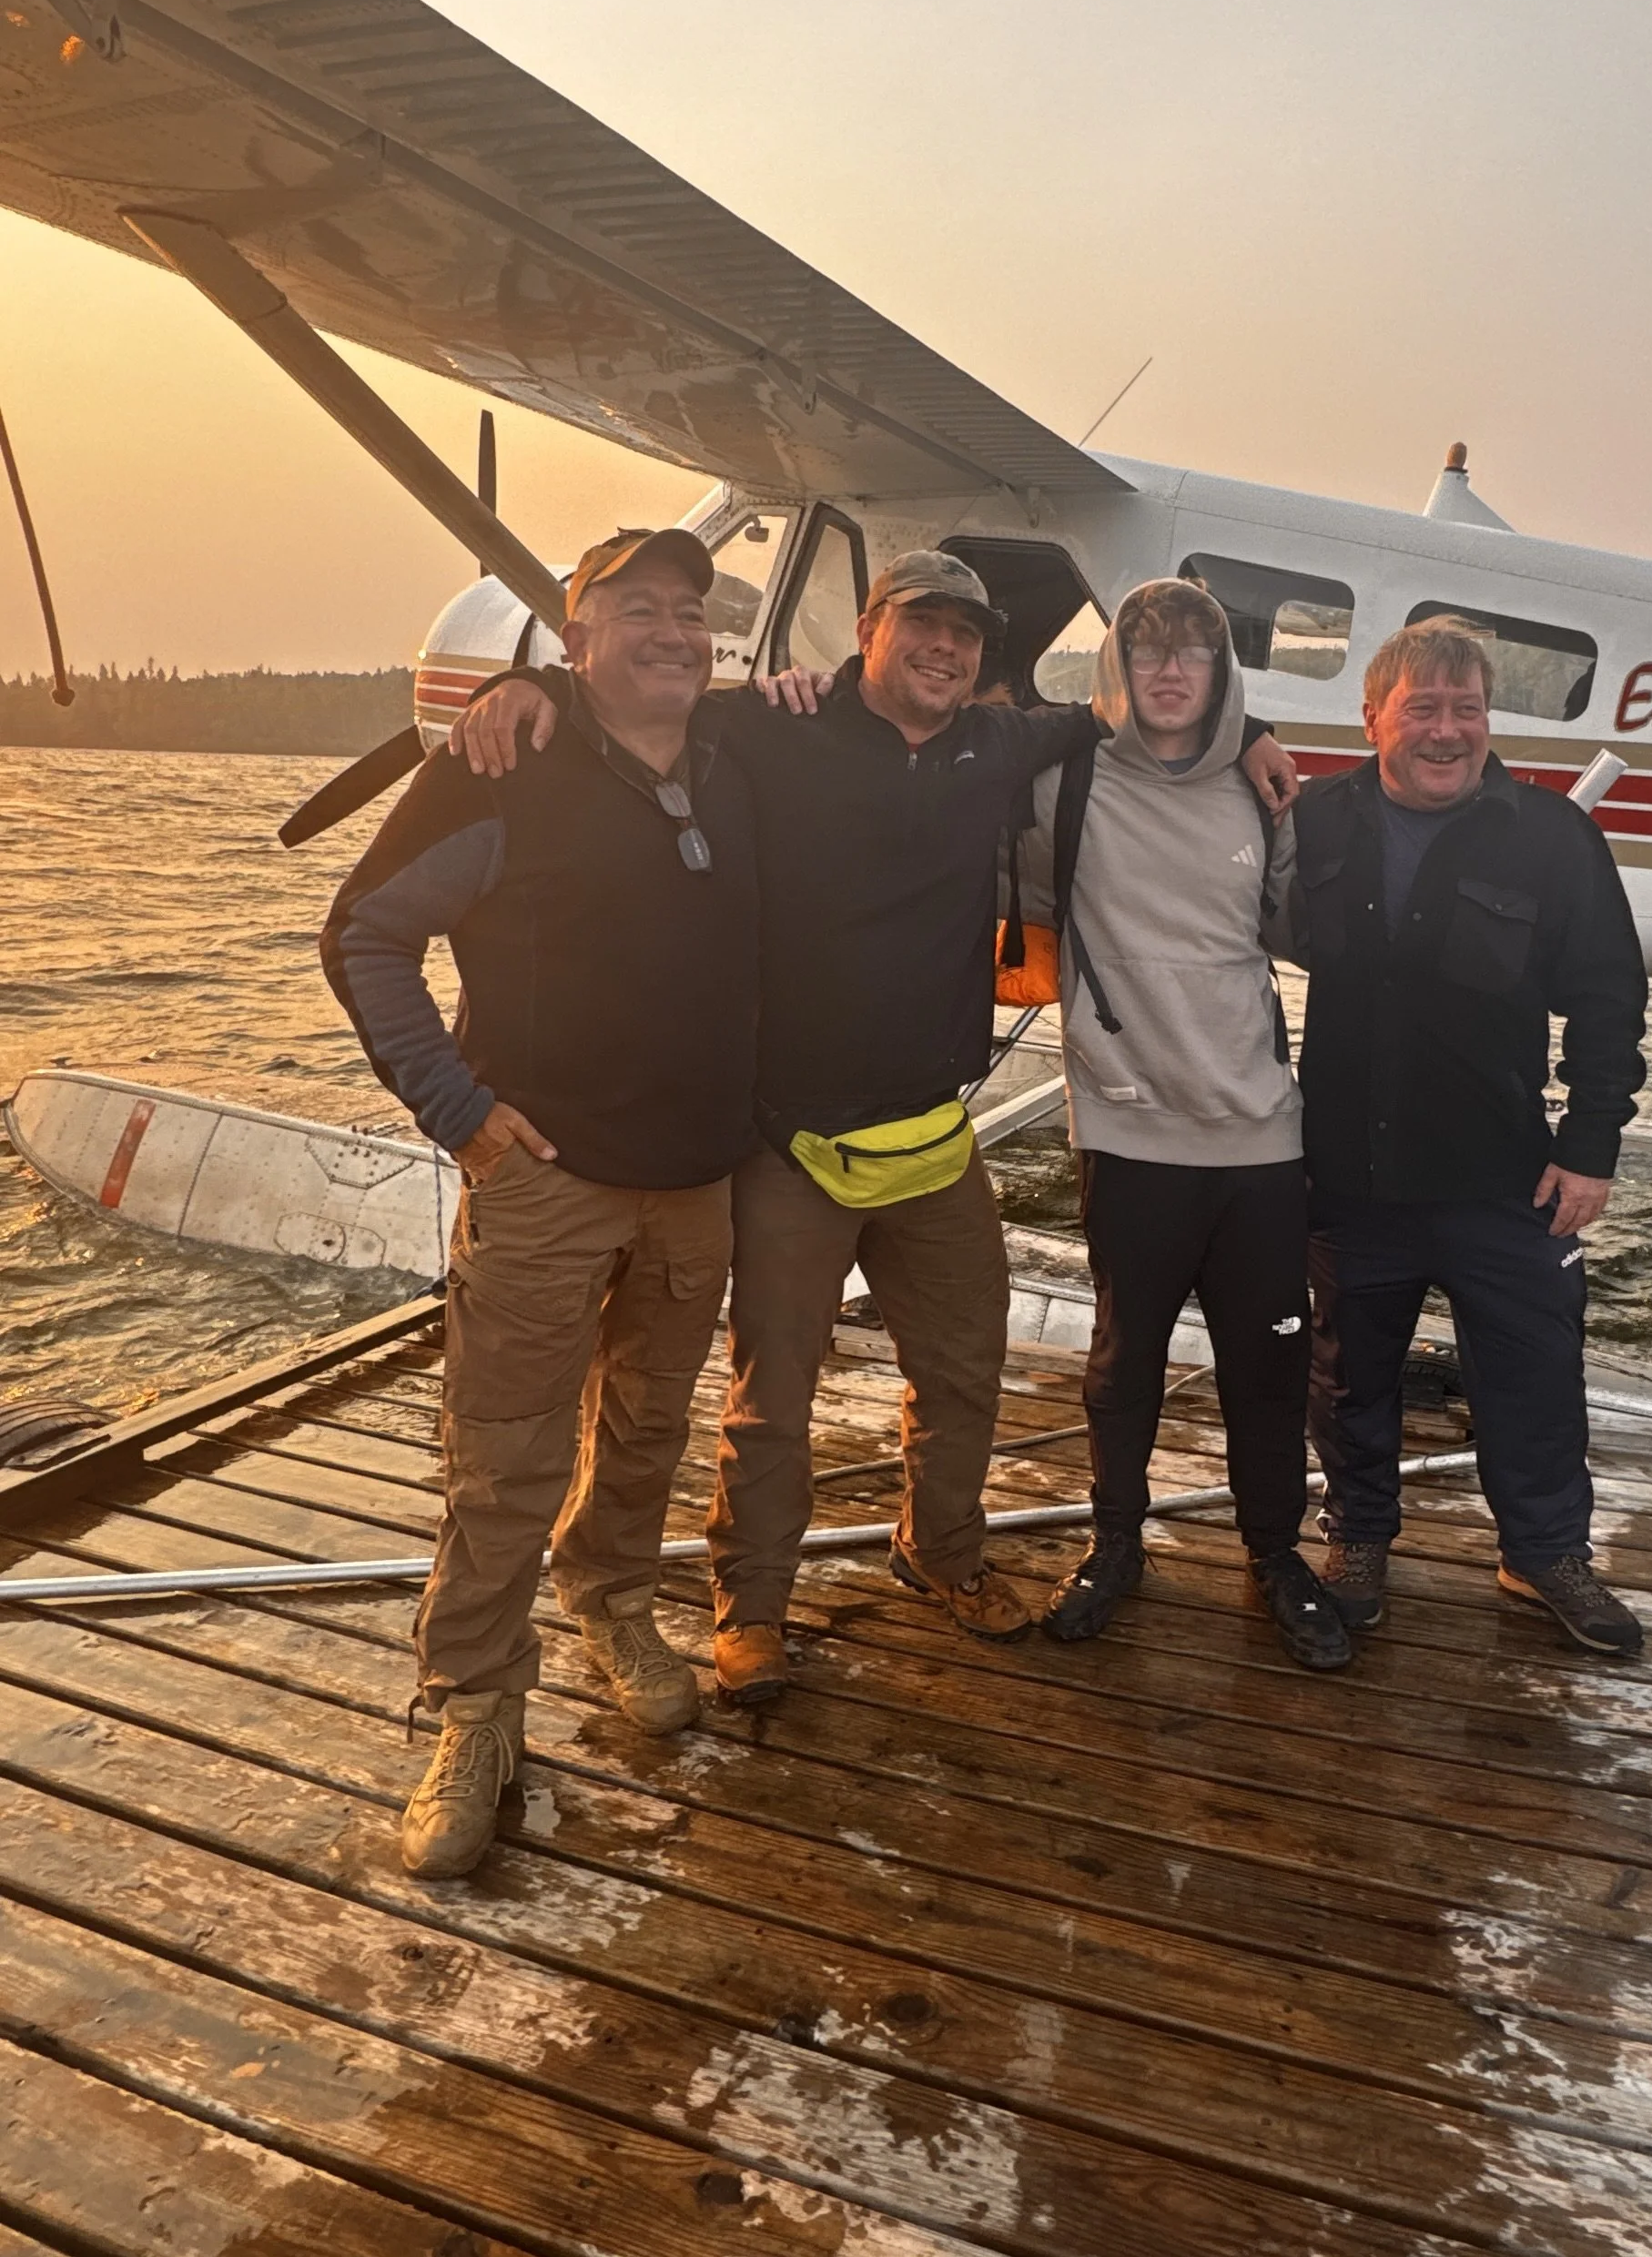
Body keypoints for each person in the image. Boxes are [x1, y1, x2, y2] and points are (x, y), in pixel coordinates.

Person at [456, 549, 1300, 1698]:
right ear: (869, 630)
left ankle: (939, 1552)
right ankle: (748, 1602)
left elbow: (1125, 715)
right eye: (923, 626)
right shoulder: (773, 725)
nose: (946, 649)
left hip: (930, 1132)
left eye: (967, 634)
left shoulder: (1001, 743)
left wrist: (1247, 734)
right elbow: (640, 698)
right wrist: (537, 690)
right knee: (774, 1393)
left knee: (964, 1367)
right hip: (791, 1137)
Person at [321, 526, 756, 1877]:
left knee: (646, 1426)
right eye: (637, 611)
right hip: (546, 1181)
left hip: (695, 1183)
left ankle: (614, 1603)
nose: (674, 632)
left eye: (692, 611)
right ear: (573, 642)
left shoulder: (742, 759)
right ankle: (474, 1704)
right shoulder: (506, 759)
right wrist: (460, 1113)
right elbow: (365, 934)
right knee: (503, 1455)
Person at [1285, 613, 1650, 1655]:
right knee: (1348, 1376)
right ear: (1373, 718)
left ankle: (1542, 1554)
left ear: (1489, 720)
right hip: (1351, 1174)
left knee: (1536, 1377)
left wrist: (1590, 1146)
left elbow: (1609, 996)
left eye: (1467, 710)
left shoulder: (1552, 836)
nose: (1446, 732)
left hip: (1507, 1177)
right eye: (1423, 710)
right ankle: (1356, 1539)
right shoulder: (1313, 820)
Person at [1011, 576, 1349, 1668]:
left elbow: (1300, 932)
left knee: (1269, 1366)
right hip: (1128, 1124)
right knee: (1125, 1359)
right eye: (1147, 648)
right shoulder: (1061, 782)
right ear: (1116, 664)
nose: (1168, 670)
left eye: (1193, 653)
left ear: (1222, 675)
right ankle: (1117, 1541)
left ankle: (1274, 1553)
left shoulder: (1263, 791)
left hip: (1259, 1133)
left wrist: (1257, 741)